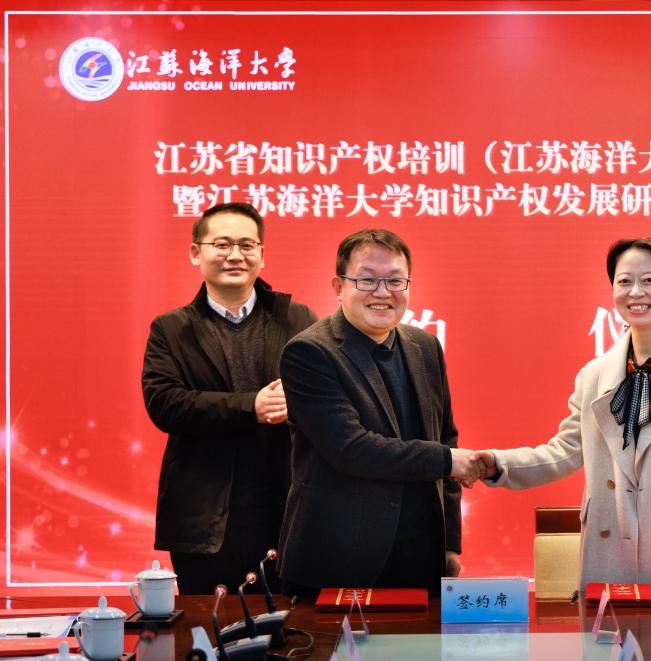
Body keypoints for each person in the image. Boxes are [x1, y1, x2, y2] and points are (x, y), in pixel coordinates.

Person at [476, 238, 651, 595]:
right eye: (624, 281)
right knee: (612, 631)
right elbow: (565, 452)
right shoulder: (594, 375)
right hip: (610, 553)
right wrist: (496, 464)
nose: (636, 292)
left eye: (649, 280)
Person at [276, 229, 482, 595]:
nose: (383, 292)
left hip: (419, 556)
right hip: (339, 558)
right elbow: (350, 448)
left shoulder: (424, 346)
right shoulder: (309, 352)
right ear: (338, 286)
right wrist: (446, 460)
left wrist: (450, 542)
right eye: (367, 280)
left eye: (395, 280)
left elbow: (445, 436)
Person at [142, 202, 316, 594]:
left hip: (287, 511)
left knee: (293, 627)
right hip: (204, 519)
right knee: (209, 624)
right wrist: (250, 406)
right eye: (222, 244)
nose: (235, 255)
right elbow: (165, 403)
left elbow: (330, 396)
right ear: (196, 252)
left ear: (261, 254)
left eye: (246, 245)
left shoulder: (298, 318)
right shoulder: (172, 329)